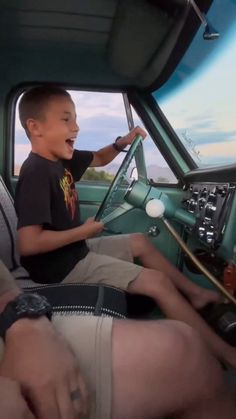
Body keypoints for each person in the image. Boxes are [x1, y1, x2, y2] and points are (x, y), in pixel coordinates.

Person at [14, 85, 236, 369]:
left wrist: (123, 142)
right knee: (157, 284)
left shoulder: (61, 161)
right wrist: (83, 232)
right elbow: (29, 243)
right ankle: (223, 353)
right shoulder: (36, 172)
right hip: (60, 268)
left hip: (73, 251)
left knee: (140, 241)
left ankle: (196, 293)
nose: (76, 126)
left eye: (76, 118)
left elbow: (100, 158)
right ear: (35, 127)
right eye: (66, 119)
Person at [0, 260, 236, 419]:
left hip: (67, 261)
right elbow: (30, 242)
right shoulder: (37, 183)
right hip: (63, 264)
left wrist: (22, 318)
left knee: (185, 346)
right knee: (183, 355)